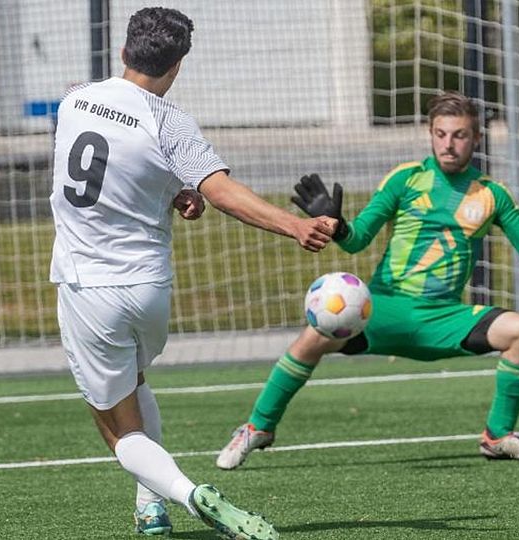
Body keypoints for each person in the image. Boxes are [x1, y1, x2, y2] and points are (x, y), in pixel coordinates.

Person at [50, 7, 335, 538]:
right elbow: (219, 190)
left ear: (123, 51)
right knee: (133, 384)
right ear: (177, 64)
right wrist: (292, 226)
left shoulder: (73, 101)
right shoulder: (168, 122)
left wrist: (175, 189)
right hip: (149, 290)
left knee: (112, 420)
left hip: (88, 287)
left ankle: (188, 494)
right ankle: (149, 507)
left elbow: (103, 161)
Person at [216, 90, 519, 470]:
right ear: (431, 135)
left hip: (445, 319)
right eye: (440, 134)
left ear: (476, 137)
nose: (449, 144)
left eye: (459, 135)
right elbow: (357, 241)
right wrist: (336, 226)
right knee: (315, 333)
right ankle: (258, 428)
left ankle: (498, 437)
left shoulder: (493, 194)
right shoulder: (404, 180)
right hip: (385, 310)